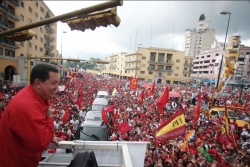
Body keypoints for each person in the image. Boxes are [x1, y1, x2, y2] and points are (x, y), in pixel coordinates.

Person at [0, 63, 62, 167]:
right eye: (53, 83)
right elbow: (41, 144)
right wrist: (50, 118)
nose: (57, 87)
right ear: (38, 83)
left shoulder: (36, 96)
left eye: (57, 83)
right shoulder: (26, 105)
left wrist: (49, 136)